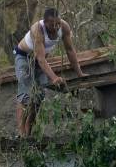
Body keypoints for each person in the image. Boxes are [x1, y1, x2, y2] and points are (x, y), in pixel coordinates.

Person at [14, 7, 84, 136]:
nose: (56, 26)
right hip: (24, 57)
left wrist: (80, 74)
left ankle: (29, 130)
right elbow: (40, 59)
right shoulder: (37, 29)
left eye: (58, 23)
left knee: (39, 96)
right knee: (25, 94)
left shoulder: (64, 27)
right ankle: (21, 133)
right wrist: (54, 77)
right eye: (53, 25)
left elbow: (70, 51)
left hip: (40, 60)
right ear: (45, 22)